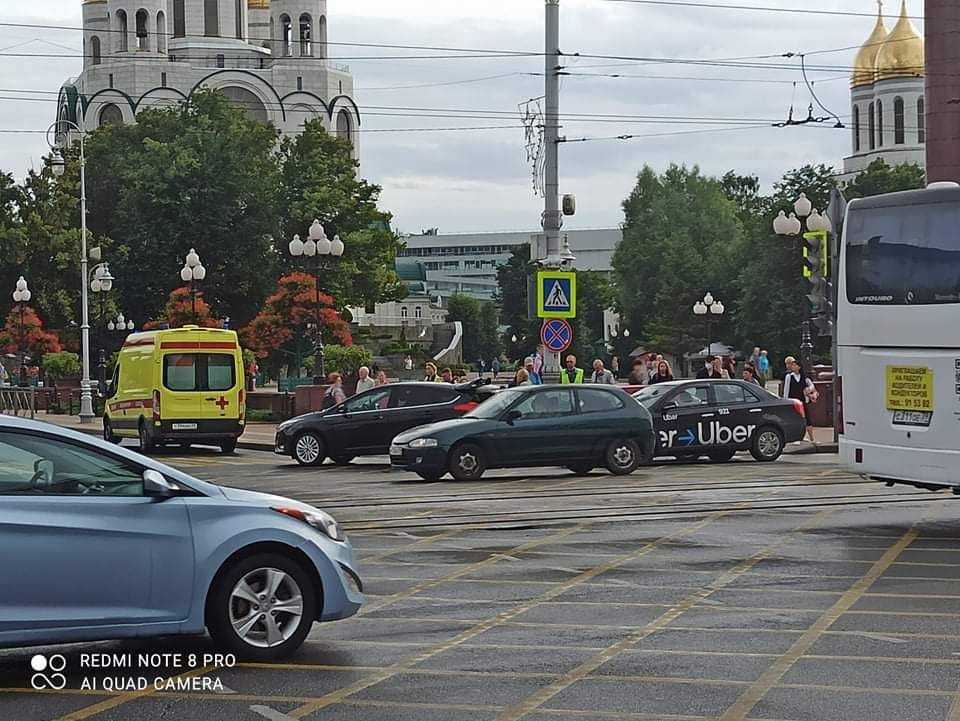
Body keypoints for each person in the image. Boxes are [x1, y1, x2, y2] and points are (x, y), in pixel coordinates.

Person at [782, 356, 818, 443]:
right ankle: (796, 438)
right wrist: (785, 401)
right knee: (794, 419)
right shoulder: (789, 377)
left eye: (795, 365)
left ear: (799, 367)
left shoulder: (804, 377)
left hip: (802, 401)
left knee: (807, 419)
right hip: (793, 401)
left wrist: (808, 390)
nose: (793, 367)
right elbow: (786, 390)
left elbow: (812, 385)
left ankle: (811, 438)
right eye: (792, 365)